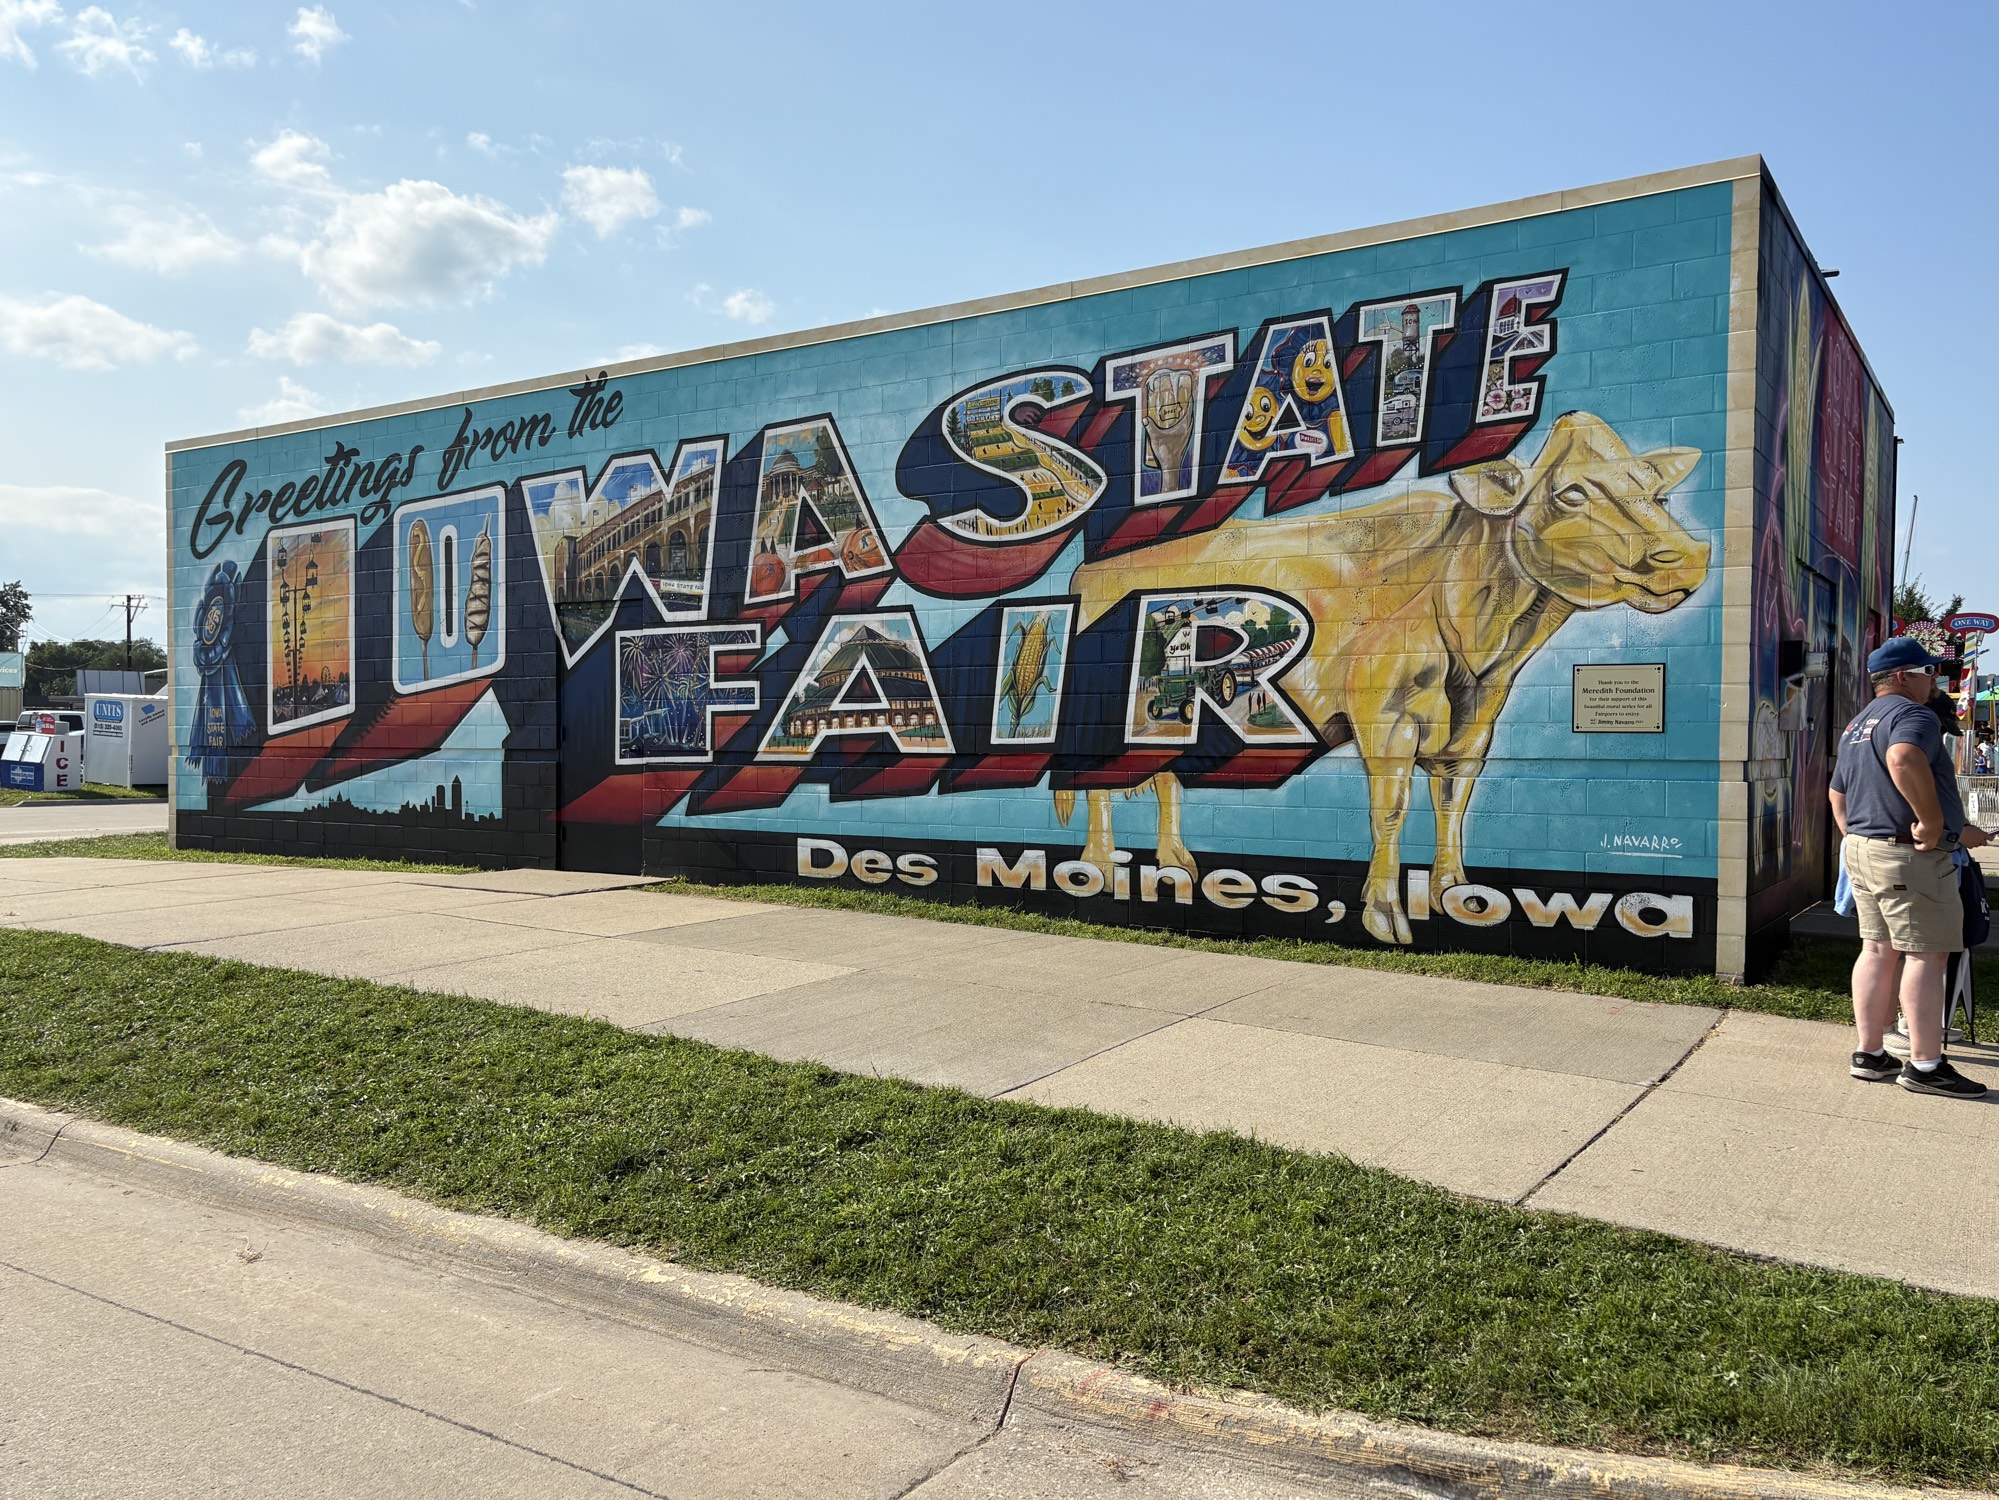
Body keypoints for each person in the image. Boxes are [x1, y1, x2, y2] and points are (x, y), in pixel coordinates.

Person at [1829, 637, 1992, 1098]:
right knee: (1927, 953)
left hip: (1864, 850)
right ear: (1903, 676)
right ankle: (1925, 1065)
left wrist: (1855, 834)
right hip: (1908, 857)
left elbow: (1837, 792)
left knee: (1877, 949)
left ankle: (1870, 1053)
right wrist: (1933, 823)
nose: (1934, 681)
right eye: (1928, 672)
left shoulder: (1858, 724)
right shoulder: (1913, 715)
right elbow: (1902, 758)